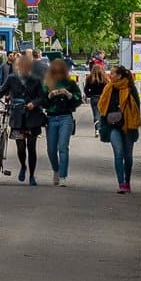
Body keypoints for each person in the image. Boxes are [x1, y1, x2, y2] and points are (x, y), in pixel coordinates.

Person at [95, 65, 141, 192]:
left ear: (120, 75)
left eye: (113, 73)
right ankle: (121, 183)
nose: (110, 75)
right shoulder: (108, 88)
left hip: (128, 125)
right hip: (112, 126)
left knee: (127, 156)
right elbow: (102, 107)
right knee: (118, 153)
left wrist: (130, 117)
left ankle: (127, 181)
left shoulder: (130, 88)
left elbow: (136, 108)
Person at [2, 53, 46, 185]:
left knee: (31, 148)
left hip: (32, 118)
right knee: (20, 147)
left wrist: (34, 103)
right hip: (17, 117)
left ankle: (32, 175)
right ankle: (23, 166)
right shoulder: (12, 78)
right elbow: (2, 90)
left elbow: (41, 96)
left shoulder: (36, 79)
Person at [42, 57, 82, 186]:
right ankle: (56, 170)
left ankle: (63, 176)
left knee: (63, 147)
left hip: (66, 117)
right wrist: (49, 95)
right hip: (51, 117)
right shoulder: (47, 84)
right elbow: (42, 101)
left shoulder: (70, 83)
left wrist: (68, 94)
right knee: (51, 149)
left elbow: (78, 99)